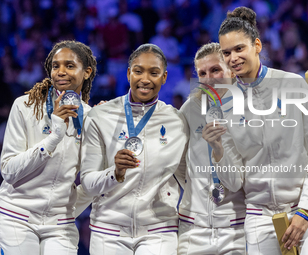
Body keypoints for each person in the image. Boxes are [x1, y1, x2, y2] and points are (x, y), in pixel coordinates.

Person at [210, 6, 308, 255]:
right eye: (226, 52)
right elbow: (233, 182)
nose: (232, 58)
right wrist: (218, 150)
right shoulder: (223, 107)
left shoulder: (292, 85)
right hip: (260, 216)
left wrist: (306, 210)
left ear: (257, 45)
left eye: (239, 49)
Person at [80, 43, 188, 255]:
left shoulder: (177, 121)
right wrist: (115, 172)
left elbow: (188, 178)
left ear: (164, 77)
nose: (145, 79)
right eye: (138, 71)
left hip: (159, 229)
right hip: (108, 230)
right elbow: (88, 183)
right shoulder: (100, 116)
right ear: (129, 73)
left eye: (154, 73)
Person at [0, 40, 97, 255]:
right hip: (16, 215)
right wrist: (53, 138)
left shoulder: (92, 118)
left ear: (87, 72)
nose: (61, 72)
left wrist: (68, 211)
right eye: (55, 66)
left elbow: (91, 182)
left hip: (60, 224)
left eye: (69, 66)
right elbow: (8, 170)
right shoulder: (24, 106)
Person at [177, 42, 246, 254]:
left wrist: (218, 150)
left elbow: (235, 183)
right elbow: (179, 163)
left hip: (235, 229)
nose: (208, 78)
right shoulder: (190, 108)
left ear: (232, 72)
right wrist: (193, 187)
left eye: (215, 70)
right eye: (202, 73)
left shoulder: (248, 112)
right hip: (193, 228)